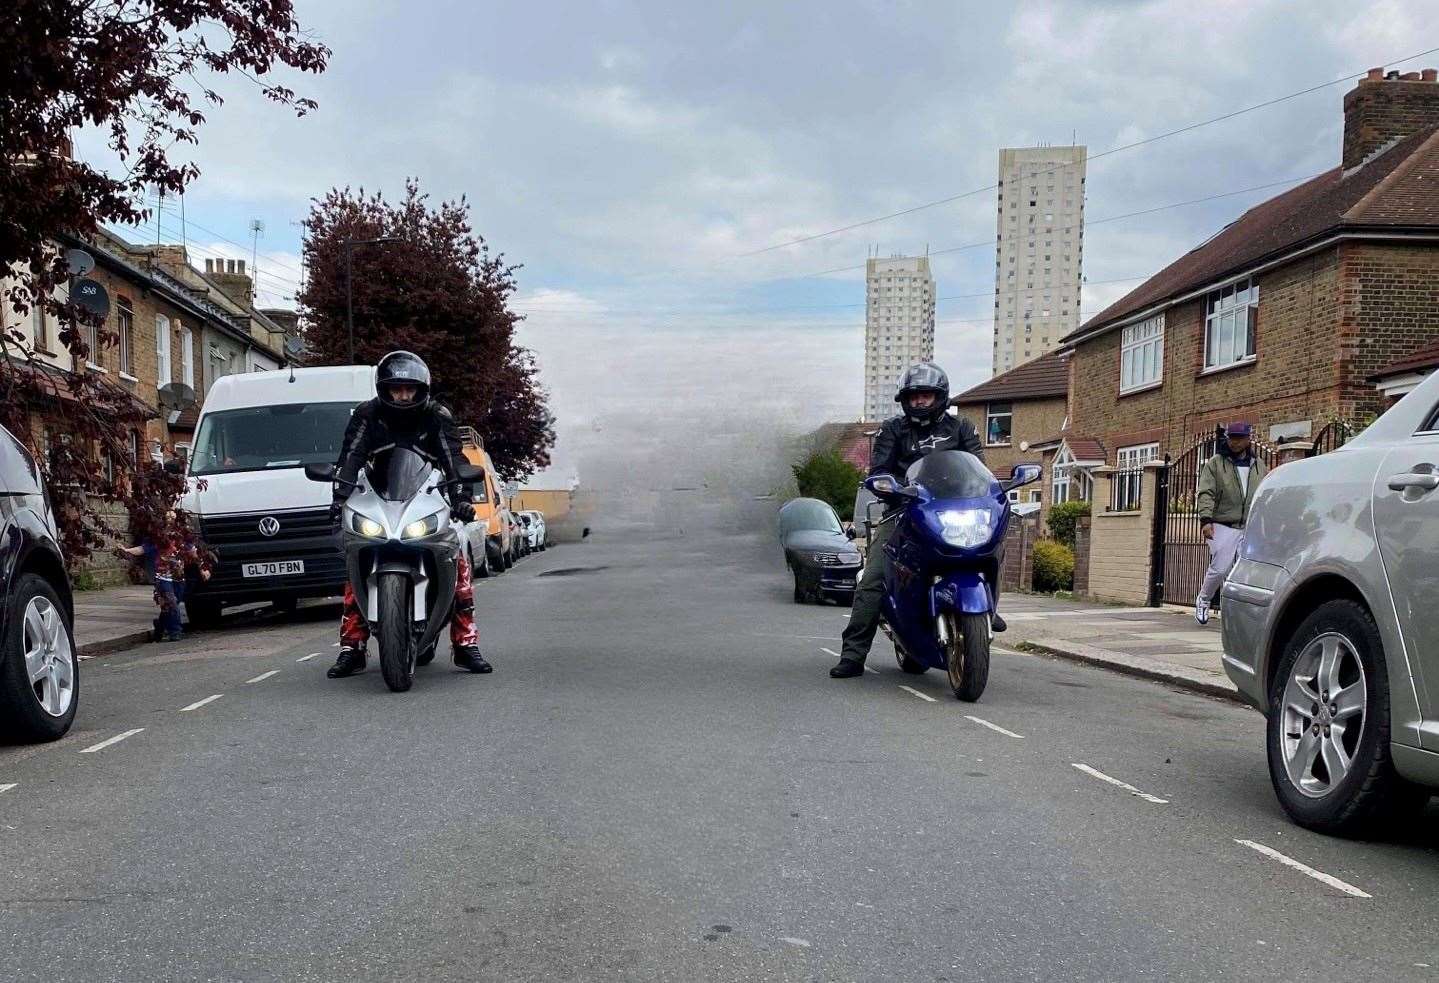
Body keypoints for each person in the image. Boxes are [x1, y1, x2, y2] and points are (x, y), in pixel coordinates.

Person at [830, 362, 1003, 679]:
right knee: (873, 581)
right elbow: (878, 470)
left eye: (926, 395)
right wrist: (886, 485)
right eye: (914, 396)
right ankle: (853, 655)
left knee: (990, 544)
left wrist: (993, 489)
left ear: (940, 397)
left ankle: (989, 607)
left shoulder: (961, 428)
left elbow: (980, 469)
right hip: (904, 512)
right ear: (905, 400)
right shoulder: (893, 430)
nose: (920, 401)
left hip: (951, 510)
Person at [326, 350, 493, 677]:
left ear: (421, 389)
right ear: (384, 389)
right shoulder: (367, 415)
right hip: (378, 498)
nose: (402, 395)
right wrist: (338, 497)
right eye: (395, 389)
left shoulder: (436, 416)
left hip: (429, 496)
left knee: (458, 561)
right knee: (355, 560)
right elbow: (351, 457)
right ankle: (352, 647)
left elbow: (453, 459)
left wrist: (461, 497)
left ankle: (465, 644)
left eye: (409, 389)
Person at [1194, 421, 1267, 625]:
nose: (1235, 442)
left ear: (1247, 439)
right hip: (1222, 523)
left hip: (1248, 524)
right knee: (1221, 567)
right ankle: (1204, 598)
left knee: (1243, 570)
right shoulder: (1216, 463)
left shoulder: (1258, 465)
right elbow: (1206, 492)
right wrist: (1206, 519)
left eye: (1239, 438)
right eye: (1232, 437)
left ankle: (1233, 610)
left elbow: (1264, 492)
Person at [117, 508, 212, 642]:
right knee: (171, 601)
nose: (170, 522)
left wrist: (203, 569)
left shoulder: (182, 537)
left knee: (172, 603)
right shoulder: (158, 538)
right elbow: (142, 549)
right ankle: (175, 631)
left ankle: (160, 625)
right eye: (168, 519)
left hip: (178, 576)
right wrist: (126, 550)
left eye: (173, 519)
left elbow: (194, 553)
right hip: (162, 576)